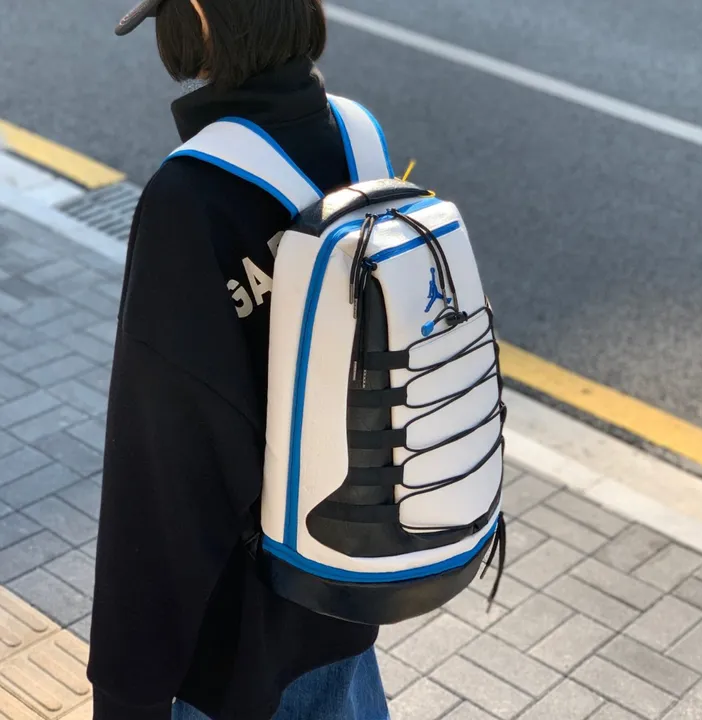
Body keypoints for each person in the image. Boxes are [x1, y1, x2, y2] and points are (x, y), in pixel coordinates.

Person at [88, 1, 390, 719]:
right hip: (348, 588)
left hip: (240, 647)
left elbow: (160, 481)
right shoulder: (357, 138)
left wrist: (126, 691)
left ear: (199, 14)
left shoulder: (191, 197)